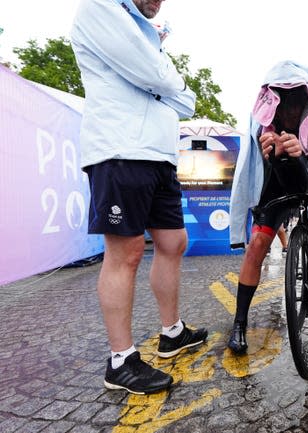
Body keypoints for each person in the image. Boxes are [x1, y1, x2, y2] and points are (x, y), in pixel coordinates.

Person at [70, 0, 208, 395]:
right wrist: (163, 82)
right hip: (120, 149)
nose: (159, 2)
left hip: (158, 154)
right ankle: (121, 361)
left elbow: (181, 97)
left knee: (172, 241)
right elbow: (155, 75)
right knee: (126, 251)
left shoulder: (140, 29)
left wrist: (163, 83)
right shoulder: (99, 7)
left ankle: (172, 332)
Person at [228, 60, 308, 354]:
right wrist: (277, 158)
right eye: (284, 102)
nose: (291, 110)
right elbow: (249, 174)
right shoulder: (260, 124)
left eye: (297, 101)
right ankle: (239, 322)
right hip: (276, 184)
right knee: (257, 244)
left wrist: (297, 157)